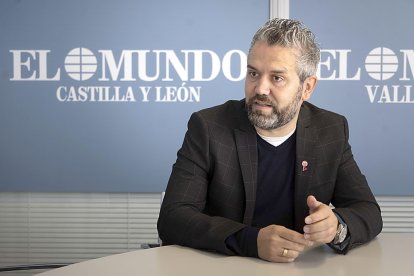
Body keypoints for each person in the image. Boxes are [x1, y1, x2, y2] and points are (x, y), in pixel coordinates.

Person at [157, 18, 382, 263]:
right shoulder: (209, 127)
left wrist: (335, 226)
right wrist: (251, 240)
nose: (260, 88)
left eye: (277, 78)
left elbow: (368, 211)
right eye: (253, 73)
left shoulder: (330, 130)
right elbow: (173, 217)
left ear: (307, 87)